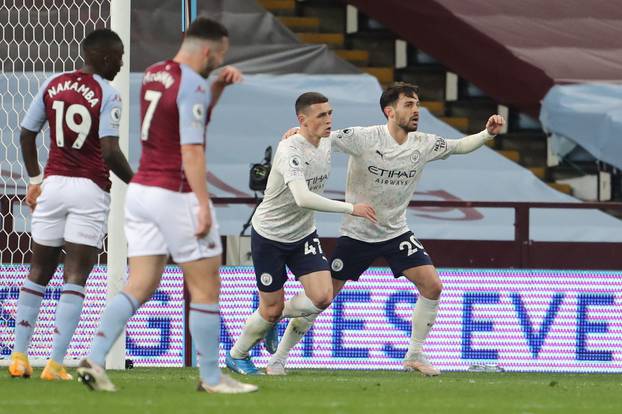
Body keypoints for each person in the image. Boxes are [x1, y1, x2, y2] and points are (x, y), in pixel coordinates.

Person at [267, 82, 505, 376]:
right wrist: (296, 135)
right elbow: (322, 136)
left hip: (395, 232)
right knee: (321, 302)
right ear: (389, 112)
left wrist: (486, 134)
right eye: (409, 105)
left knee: (433, 286)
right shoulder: (363, 138)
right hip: (357, 234)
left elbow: (458, 147)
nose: (416, 110)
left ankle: (414, 355)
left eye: (417, 104)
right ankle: (277, 352)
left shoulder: (424, 143)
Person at [76, 18, 256, 394]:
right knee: (206, 287)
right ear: (208, 51)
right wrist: (203, 205)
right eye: (219, 56)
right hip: (175, 193)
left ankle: (94, 359)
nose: (219, 62)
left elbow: (184, 122)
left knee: (139, 283)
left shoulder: (155, 73)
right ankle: (210, 379)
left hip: (141, 191)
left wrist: (216, 88)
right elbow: (192, 147)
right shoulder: (192, 83)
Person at [9, 28, 133, 381]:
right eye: (120, 57)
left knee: (37, 272)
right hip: (88, 189)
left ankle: (19, 357)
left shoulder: (54, 83)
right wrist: (138, 184)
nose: (122, 63)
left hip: (53, 184)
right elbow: (110, 151)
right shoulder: (109, 93)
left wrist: (34, 181)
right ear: (107, 57)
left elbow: (26, 133)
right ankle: (54, 364)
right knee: (75, 276)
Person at [225, 92, 376, 375]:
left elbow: (370, 134)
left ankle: (275, 317)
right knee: (268, 309)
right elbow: (303, 198)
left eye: (330, 113)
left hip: (303, 234)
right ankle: (238, 355)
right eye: (321, 115)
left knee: (322, 297)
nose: (329, 120)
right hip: (269, 235)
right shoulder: (289, 150)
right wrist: (351, 208)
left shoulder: (329, 139)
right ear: (302, 120)